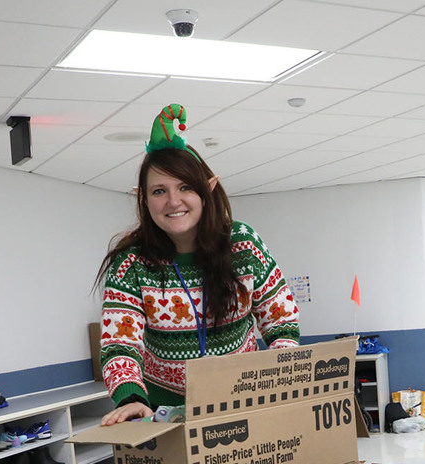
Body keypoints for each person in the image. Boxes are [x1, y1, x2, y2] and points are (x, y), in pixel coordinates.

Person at [95, 104, 301, 425]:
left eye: (185, 187)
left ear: (207, 189)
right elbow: (120, 343)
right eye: (159, 191)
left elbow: (281, 319)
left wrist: (280, 374)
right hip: (165, 413)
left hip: (243, 402)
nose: (173, 201)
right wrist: (131, 396)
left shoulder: (242, 243)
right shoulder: (132, 261)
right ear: (144, 199)